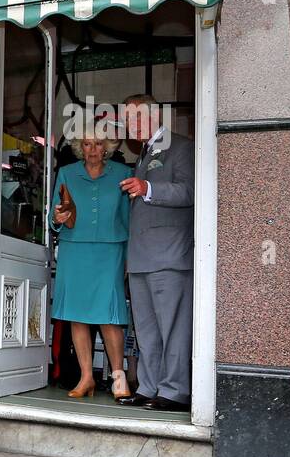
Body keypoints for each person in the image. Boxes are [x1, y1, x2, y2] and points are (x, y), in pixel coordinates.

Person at [118, 95, 194, 412]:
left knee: (172, 328)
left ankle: (175, 391)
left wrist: (148, 188)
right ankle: (149, 386)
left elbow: (190, 191)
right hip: (141, 258)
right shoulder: (146, 152)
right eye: (126, 119)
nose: (127, 125)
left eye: (133, 117)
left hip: (170, 256)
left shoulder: (181, 146)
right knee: (146, 330)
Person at [50, 126, 131, 399]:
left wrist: (131, 254)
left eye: (98, 144)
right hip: (75, 250)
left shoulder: (122, 174)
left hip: (111, 250)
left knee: (110, 314)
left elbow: (129, 218)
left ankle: (118, 377)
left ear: (107, 147)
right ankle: (86, 378)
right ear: (80, 147)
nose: (93, 149)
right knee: (77, 315)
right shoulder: (67, 173)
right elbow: (55, 213)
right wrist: (57, 219)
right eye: (87, 144)